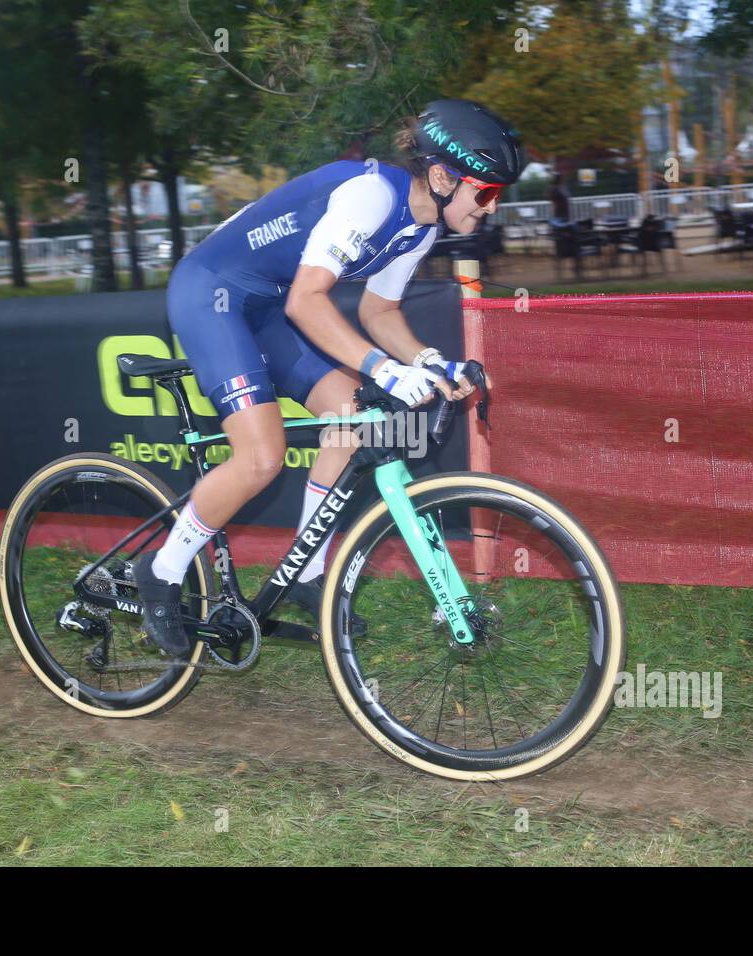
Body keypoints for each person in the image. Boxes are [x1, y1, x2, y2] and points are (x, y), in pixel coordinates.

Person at [136, 99, 528, 655]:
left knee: (356, 422)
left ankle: (305, 572)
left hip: (268, 304)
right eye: (485, 192)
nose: (490, 208)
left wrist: (432, 362)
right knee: (262, 455)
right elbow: (306, 301)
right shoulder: (371, 198)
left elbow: (379, 314)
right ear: (442, 176)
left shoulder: (418, 228)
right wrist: (383, 369)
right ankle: (162, 569)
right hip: (212, 292)